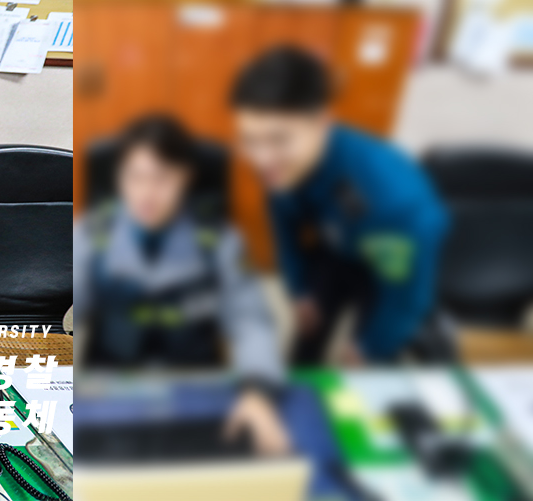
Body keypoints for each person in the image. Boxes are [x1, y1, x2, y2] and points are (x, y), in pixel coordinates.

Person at [75, 114, 289, 455]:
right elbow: (69, 318)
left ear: (185, 179)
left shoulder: (219, 241)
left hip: (196, 389)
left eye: (162, 178)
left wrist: (257, 391)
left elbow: (252, 324)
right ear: (119, 179)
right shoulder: (92, 233)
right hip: (111, 389)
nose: (147, 192)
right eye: (137, 177)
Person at [230, 46, 450, 365]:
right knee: (307, 334)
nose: (262, 159)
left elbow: (407, 298)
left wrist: (371, 346)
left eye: (279, 139)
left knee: (370, 358)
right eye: (249, 139)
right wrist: (299, 289)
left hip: (389, 268)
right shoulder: (278, 167)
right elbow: (284, 224)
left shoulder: (395, 202)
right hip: (336, 249)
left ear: (322, 122)